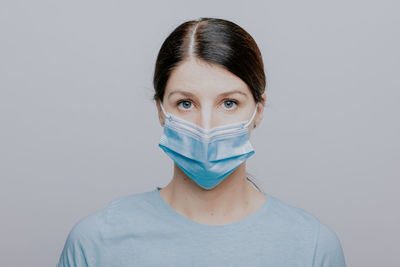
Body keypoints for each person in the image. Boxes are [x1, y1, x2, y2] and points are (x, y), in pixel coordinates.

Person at [56, 17, 346, 267]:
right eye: (185, 103)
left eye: (229, 103)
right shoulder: (96, 243)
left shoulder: (312, 247)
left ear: (258, 110)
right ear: (161, 110)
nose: (206, 128)